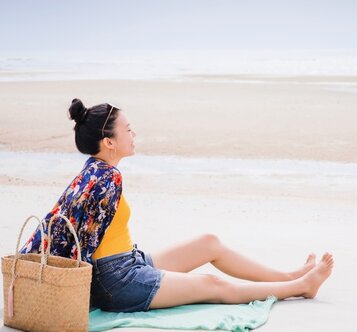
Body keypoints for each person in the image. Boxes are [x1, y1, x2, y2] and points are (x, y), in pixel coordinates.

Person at [21, 98, 334, 312]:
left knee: (209, 243)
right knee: (213, 285)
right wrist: (71, 290)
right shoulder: (105, 178)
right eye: (128, 129)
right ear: (109, 141)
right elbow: (75, 238)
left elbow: (58, 223)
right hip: (115, 281)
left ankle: (287, 275)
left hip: (130, 261)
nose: (134, 133)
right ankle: (301, 287)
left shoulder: (95, 170)